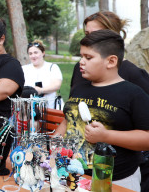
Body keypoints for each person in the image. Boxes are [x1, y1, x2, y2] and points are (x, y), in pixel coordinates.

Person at [55, 30, 149, 191]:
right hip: (73, 175)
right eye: (81, 56)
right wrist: (56, 141)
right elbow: (68, 119)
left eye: (88, 57)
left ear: (111, 61)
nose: (81, 62)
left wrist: (106, 136)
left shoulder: (133, 94)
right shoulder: (79, 89)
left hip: (116, 180)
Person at [70, 11, 149, 94]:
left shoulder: (134, 74)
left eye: (95, 34)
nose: (89, 39)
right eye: (87, 34)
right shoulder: (80, 69)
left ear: (113, 35)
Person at [22, 40, 62, 109]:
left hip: (50, 108)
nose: (33, 56)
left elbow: (57, 85)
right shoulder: (24, 69)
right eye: (30, 53)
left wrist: (41, 90)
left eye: (36, 52)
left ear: (43, 53)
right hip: (29, 110)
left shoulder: (52, 67)